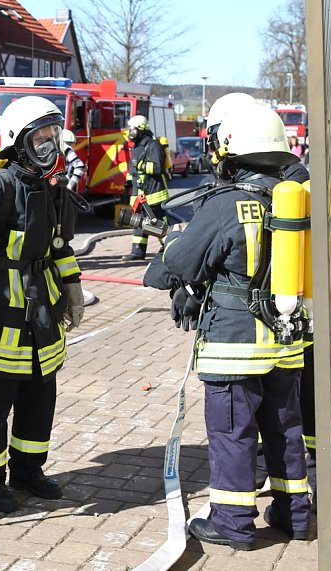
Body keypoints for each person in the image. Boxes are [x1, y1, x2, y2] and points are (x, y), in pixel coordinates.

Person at [155, 104, 311, 550]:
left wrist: (165, 252)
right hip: (286, 341)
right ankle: (294, 515)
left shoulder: (226, 203)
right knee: (285, 431)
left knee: (232, 434)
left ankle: (232, 523)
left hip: (235, 346)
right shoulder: (293, 197)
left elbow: (179, 265)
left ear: (230, 149)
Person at [0, 96, 84, 513]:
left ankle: (28, 471)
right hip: (2, 315)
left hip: (42, 314)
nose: (50, 146)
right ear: (18, 142)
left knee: (39, 401)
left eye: (53, 136)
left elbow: (58, 243)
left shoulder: (48, 187)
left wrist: (73, 286)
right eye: (41, 137)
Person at [123, 114, 168, 260]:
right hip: (139, 194)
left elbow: (157, 167)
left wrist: (140, 165)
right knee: (138, 222)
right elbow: (133, 170)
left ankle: (170, 248)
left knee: (158, 224)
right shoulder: (136, 147)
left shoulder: (153, 145)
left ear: (142, 129)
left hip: (154, 194)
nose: (131, 132)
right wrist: (128, 184)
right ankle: (138, 251)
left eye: (133, 129)